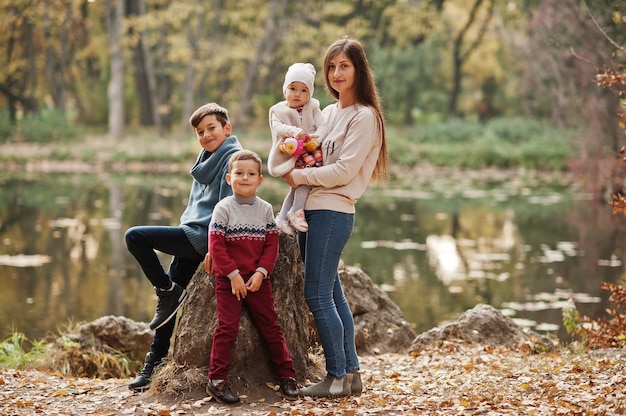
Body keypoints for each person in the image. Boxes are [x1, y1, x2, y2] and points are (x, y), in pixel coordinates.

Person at [281, 36, 389, 398]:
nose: (337, 73)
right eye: (332, 66)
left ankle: (335, 376)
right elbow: (306, 149)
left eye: (345, 65)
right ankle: (352, 374)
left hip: (334, 210)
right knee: (333, 294)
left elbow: (343, 171)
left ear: (359, 70)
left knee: (316, 294)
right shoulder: (328, 112)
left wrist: (299, 177)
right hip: (308, 210)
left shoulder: (365, 116)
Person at [124, 102, 242, 392]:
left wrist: (215, 249)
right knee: (169, 308)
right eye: (200, 131)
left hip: (203, 238)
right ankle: (154, 364)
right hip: (191, 234)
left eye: (211, 128)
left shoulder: (233, 158)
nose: (205, 135)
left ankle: (166, 289)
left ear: (227, 128)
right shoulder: (207, 158)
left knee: (135, 237)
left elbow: (229, 208)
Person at [204, 150, 300, 404]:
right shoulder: (223, 208)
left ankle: (287, 376)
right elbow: (216, 246)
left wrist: (261, 273)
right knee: (227, 326)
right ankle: (216, 380)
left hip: (258, 280)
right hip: (229, 279)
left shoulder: (266, 210)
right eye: (239, 173)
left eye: (251, 174)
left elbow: (271, 246)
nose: (244, 178)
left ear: (260, 180)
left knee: (270, 326)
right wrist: (233, 275)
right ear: (228, 178)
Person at [268, 62, 327, 235]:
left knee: (303, 181)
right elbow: (277, 127)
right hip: (290, 151)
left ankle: (285, 217)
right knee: (303, 180)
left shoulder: (313, 107)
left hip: (309, 149)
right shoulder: (277, 110)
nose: (297, 94)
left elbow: (323, 126)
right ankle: (296, 212)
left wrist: (316, 140)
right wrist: (295, 132)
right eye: (293, 88)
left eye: (304, 90)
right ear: (285, 89)